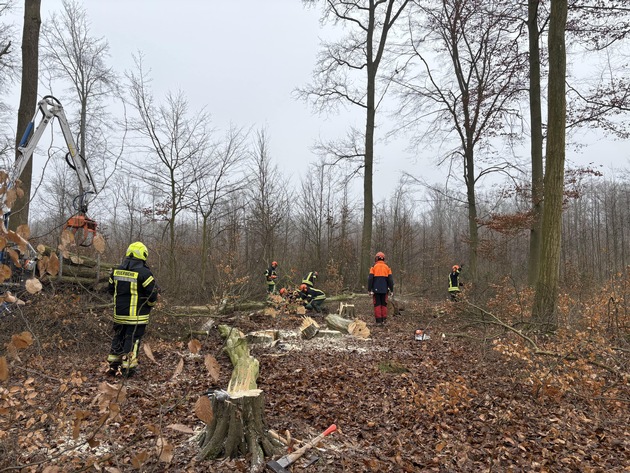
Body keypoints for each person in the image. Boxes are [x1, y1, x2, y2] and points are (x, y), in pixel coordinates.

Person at [107, 242, 159, 377]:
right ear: (143, 254)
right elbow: (152, 294)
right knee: (133, 339)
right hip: (136, 315)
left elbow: (110, 290)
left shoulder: (116, 270)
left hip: (119, 314)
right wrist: (150, 304)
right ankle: (128, 368)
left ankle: (114, 364)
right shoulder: (144, 273)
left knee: (118, 336)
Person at [367, 251, 394, 325]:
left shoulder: (373, 267)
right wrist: (391, 290)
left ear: (376, 258)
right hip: (385, 290)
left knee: (377, 304)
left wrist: (369, 289)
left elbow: (370, 279)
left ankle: (378, 321)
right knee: (384, 304)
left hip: (376, 290)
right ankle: (384, 320)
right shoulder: (387, 268)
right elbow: (390, 280)